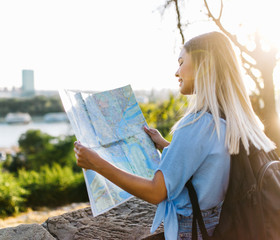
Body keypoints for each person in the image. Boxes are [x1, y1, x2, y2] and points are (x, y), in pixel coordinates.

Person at [73, 31, 275, 239]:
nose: (176, 72)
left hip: (192, 229)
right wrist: (166, 145)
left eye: (181, 62)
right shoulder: (230, 119)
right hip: (220, 222)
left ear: (203, 66)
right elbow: (209, 162)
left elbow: (156, 191)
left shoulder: (197, 124)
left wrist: (96, 163)